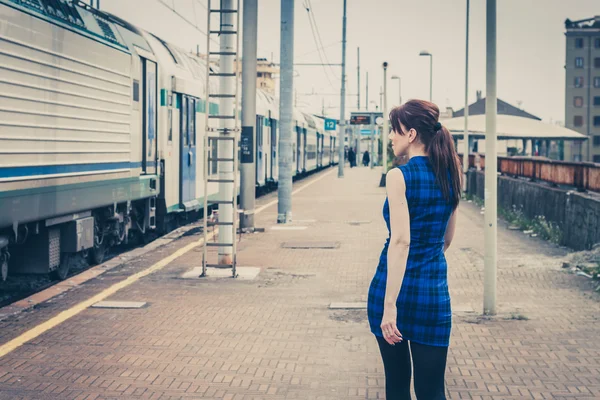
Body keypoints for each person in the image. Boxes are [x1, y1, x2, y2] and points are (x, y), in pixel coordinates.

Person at [367, 99, 461, 399]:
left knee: (397, 386)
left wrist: (389, 306)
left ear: (410, 134)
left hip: (392, 291)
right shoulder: (450, 174)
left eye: (394, 130)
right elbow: (447, 240)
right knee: (432, 390)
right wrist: (426, 262)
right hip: (433, 294)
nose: (390, 137)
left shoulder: (399, 176)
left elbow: (400, 241)